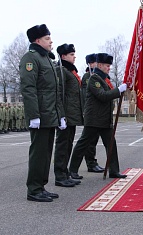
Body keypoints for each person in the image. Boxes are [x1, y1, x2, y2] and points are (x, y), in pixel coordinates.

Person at [20, 24, 66, 202]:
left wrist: (60, 114)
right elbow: (28, 89)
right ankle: (33, 189)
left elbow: (55, 91)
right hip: (40, 115)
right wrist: (34, 115)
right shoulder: (30, 59)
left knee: (46, 154)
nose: (51, 41)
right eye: (47, 38)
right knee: (38, 153)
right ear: (38, 40)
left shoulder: (46, 59)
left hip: (50, 114)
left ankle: (41, 186)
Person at [69, 53, 127, 179]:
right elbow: (102, 96)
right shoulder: (94, 79)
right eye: (107, 65)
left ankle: (114, 170)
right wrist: (118, 90)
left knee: (111, 144)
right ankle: (72, 170)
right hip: (94, 119)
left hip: (105, 120)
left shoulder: (103, 80)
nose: (109, 68)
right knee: (83, 144)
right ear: (99, 65)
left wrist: (119, 90)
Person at [53, 43, 83, 187]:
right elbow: (58, 94)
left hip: (72, 115)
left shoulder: (70, 71)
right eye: (71, 55)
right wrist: (61, 115)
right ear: (64, 56)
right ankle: (59, 175)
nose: (74, 57)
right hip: (65, 115)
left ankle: (65, 173)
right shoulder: (61, 70)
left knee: (68, 145)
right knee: (62, 145)